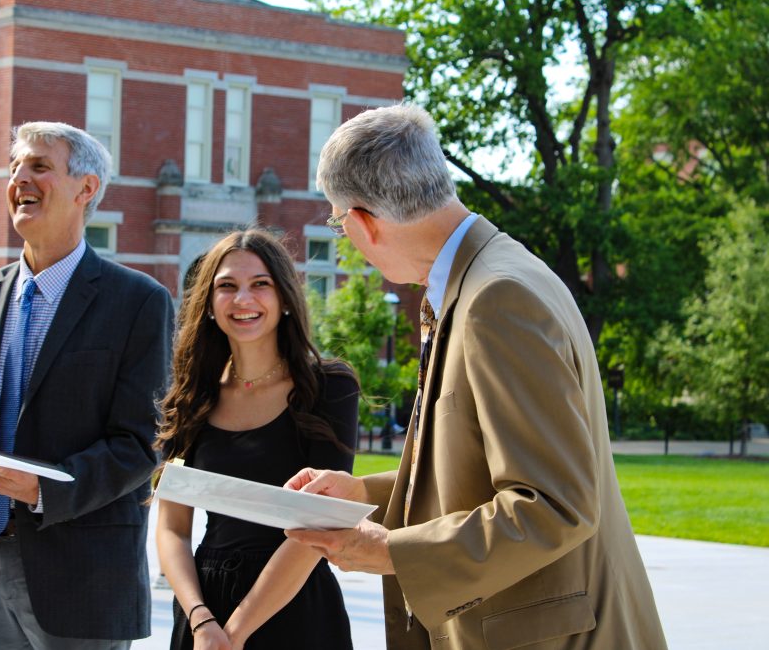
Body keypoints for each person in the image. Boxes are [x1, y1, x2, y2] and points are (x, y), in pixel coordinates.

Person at [284, 104, 668, 649]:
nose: (346, 237)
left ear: (363, 220)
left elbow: (555, 504)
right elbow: (479, 468)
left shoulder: (496, 299)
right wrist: (363, 494)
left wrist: (389, 550)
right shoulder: (489, 276)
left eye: (337, 221)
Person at [0, 121, 174, 648]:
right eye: (15, 167)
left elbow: (143, 440)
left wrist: (45, 488)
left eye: (39, 166)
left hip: (82, 575)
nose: (20, 178)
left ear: (86, 189)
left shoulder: (138, 301)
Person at [154, 229, 359, 650]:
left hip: (295, 605)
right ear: (209, 306)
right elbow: (172, 529)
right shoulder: (192, 396)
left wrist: (235, 633)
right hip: (204, 614)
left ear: (284, 298)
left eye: (260, 285)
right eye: (226, 286)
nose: (242, 299)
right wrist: (200, 618)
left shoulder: (330, 387)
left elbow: (319, 525)